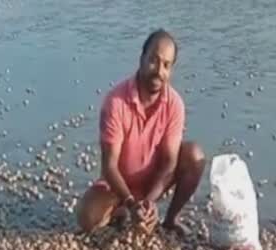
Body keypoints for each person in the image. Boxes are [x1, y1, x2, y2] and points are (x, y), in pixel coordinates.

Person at [76, 29, 206, 236]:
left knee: (195, 155)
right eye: (154, 61)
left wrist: (149, 202)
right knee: (87, 217)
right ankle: (122, 211)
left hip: (153, 183)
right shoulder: (116, 102)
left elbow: (169, 163)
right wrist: (131, 203)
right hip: (118, 185)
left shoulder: (174, 105)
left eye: (166, 65)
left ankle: (170, 220)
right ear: (142, 58)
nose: (159, 71)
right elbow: (109, 166)